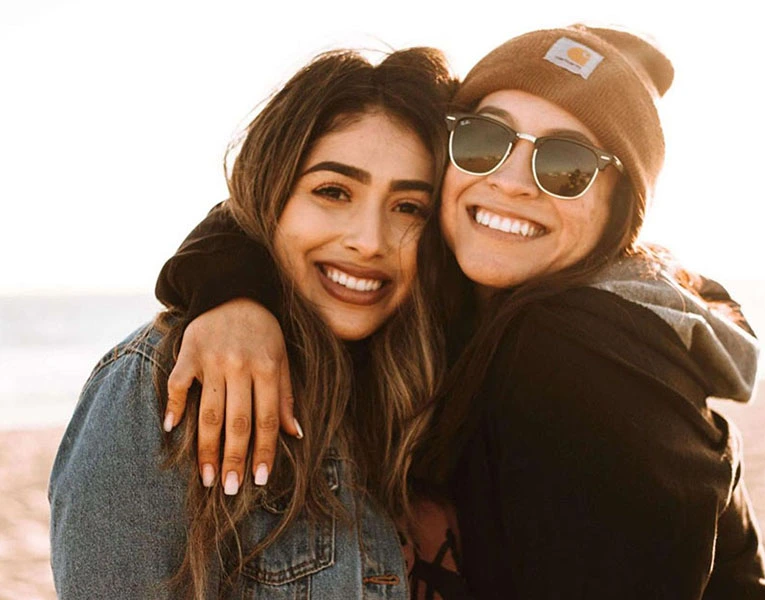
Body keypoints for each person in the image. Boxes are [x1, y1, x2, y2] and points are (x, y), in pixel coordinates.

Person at [153, 24, 765, 599]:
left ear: (621, 208)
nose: (510, 181)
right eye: (485, 140)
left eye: (566, 164)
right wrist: (235, 293)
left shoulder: (579, 350)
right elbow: (271, 203)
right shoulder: (461, 287)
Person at [48, 46, 463, 599]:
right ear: (271, 197)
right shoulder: (160, 387)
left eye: (409, 207)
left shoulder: (433, 383)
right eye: (332, 192)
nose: (370, 240)